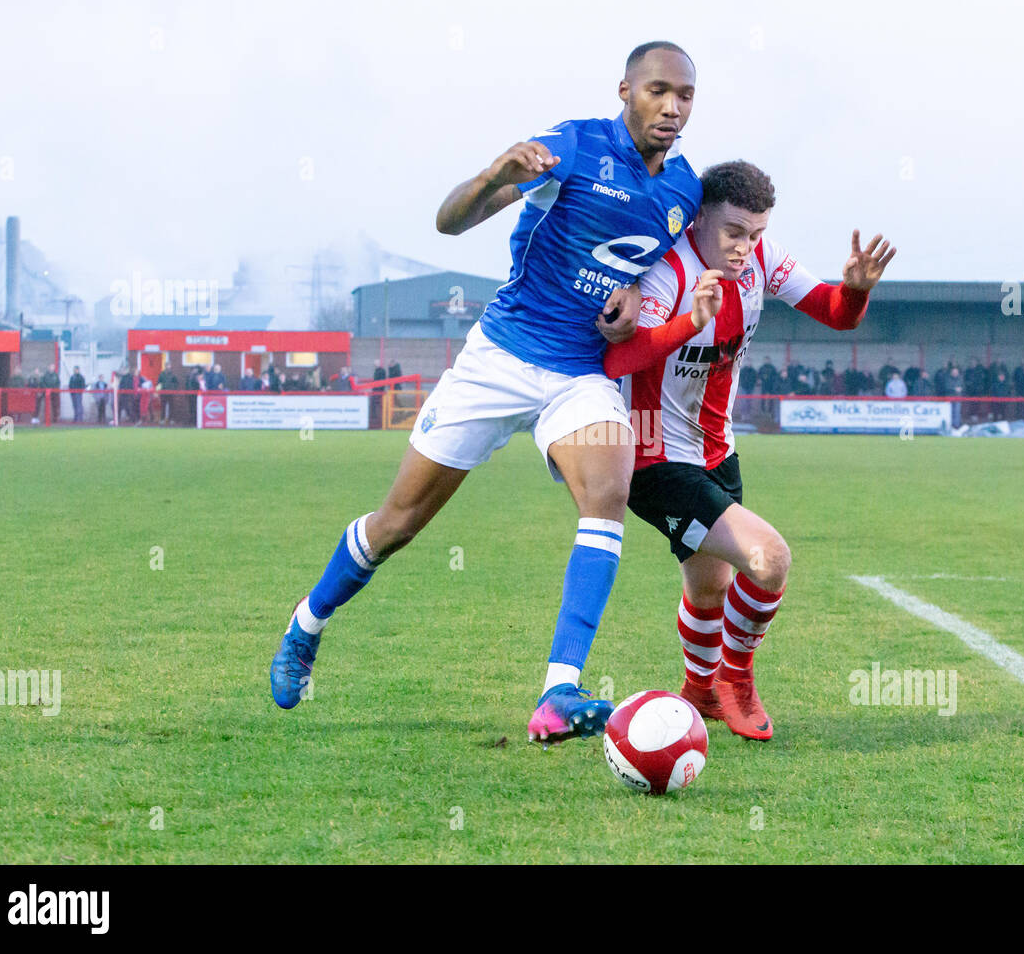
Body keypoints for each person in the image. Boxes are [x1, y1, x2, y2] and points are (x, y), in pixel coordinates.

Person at [269, 41, 703, 747]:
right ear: (625, 89)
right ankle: (306, 625)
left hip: (580, 373)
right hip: (499, 359)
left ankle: (558, 692)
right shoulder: (572, 147)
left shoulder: (684, 190)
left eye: (685, 96)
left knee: (607, 492)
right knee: (397, 525)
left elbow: (654, 271)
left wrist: (631, 296)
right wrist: (493, 174)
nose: (672, 107)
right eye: (658, 90)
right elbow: (450, 221)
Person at [604, 160, 894, 739]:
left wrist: (856, 292)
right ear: (700, 218)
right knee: (769, 559)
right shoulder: (666, 273)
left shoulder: (763, 259)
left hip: (718, 453)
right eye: (733, 231)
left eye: (756, 233)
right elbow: (619, 358)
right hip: (655, 461)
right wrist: (693, 320)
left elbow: (833, 313)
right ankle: (735, 681)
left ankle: (698, 693)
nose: (744, 247)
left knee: (709, 587)